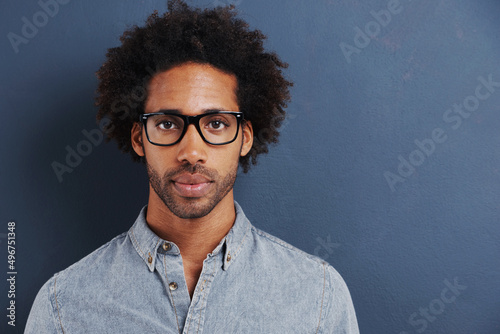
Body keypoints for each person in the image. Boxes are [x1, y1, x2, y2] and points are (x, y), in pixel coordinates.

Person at [25, 1, 359, 332]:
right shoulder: (63, 308)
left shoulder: (318, 298)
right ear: (139, 138)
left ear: (244, 137)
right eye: (168, 123)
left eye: (215, 123)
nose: (192, 152)